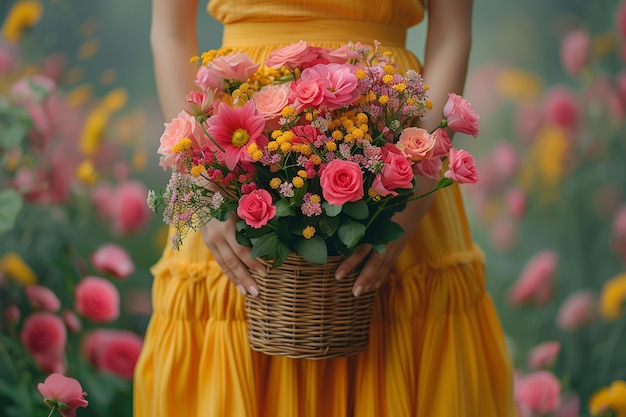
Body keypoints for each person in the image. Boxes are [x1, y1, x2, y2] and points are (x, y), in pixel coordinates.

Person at [135, 1, 518, 416]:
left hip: (393, 142)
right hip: (231, 147)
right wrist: (204, 182)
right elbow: (169, 32)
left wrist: (415, 181)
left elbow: (452, 34)